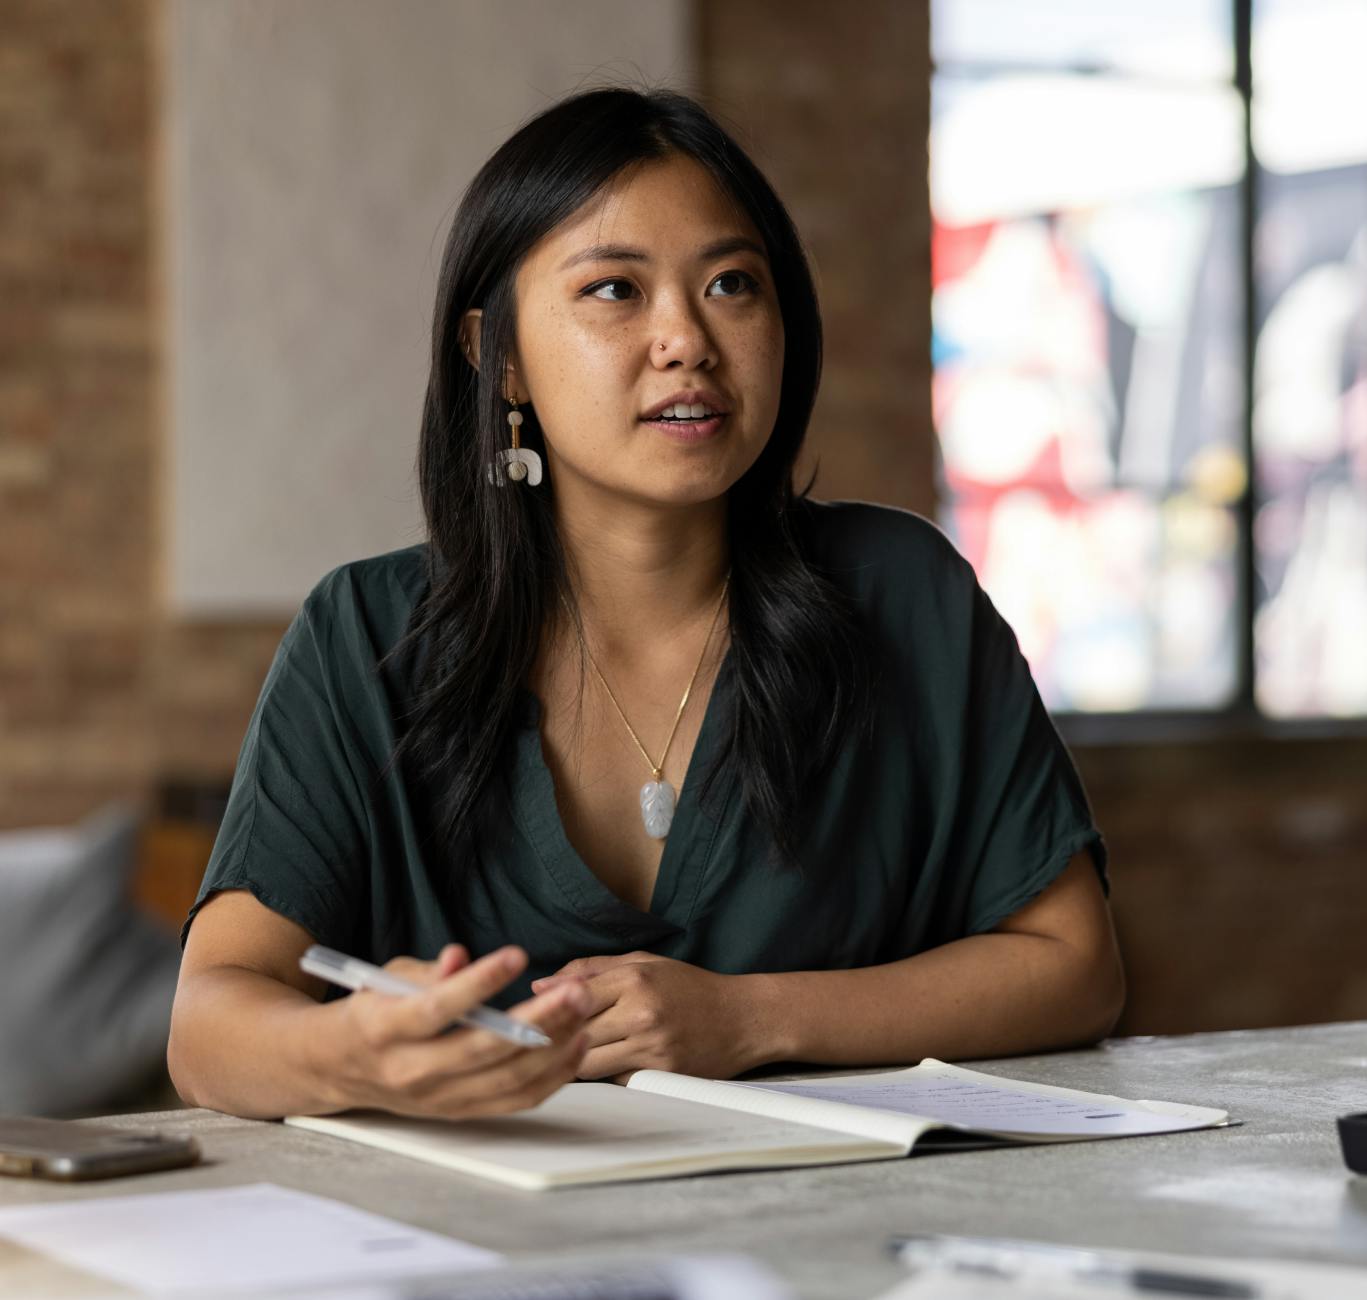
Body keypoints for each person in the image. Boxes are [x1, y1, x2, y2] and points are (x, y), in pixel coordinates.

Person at [168, 88, 1123, 1122]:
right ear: (501, 356)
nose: (686, 340)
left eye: (731, 284)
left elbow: (1075, 967)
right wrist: (352, 1055)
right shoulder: (365, 636)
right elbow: (208, 1025)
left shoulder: (904, 593)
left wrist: (751, 1017)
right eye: (615, 290)